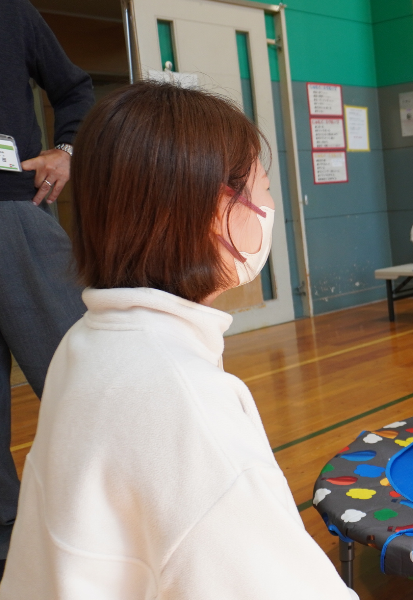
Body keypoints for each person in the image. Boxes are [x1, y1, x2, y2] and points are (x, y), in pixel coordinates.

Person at [0, 82, 357, 600]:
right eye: (264, 188)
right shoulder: (186, 400)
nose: (270, 204)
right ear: (216, 210)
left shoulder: (85, 343)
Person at [0, 0, 92, 569]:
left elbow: (75, 89)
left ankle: (118, 526)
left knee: (86, 383)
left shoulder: (13, 13)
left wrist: (68, 150)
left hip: (15, 213)